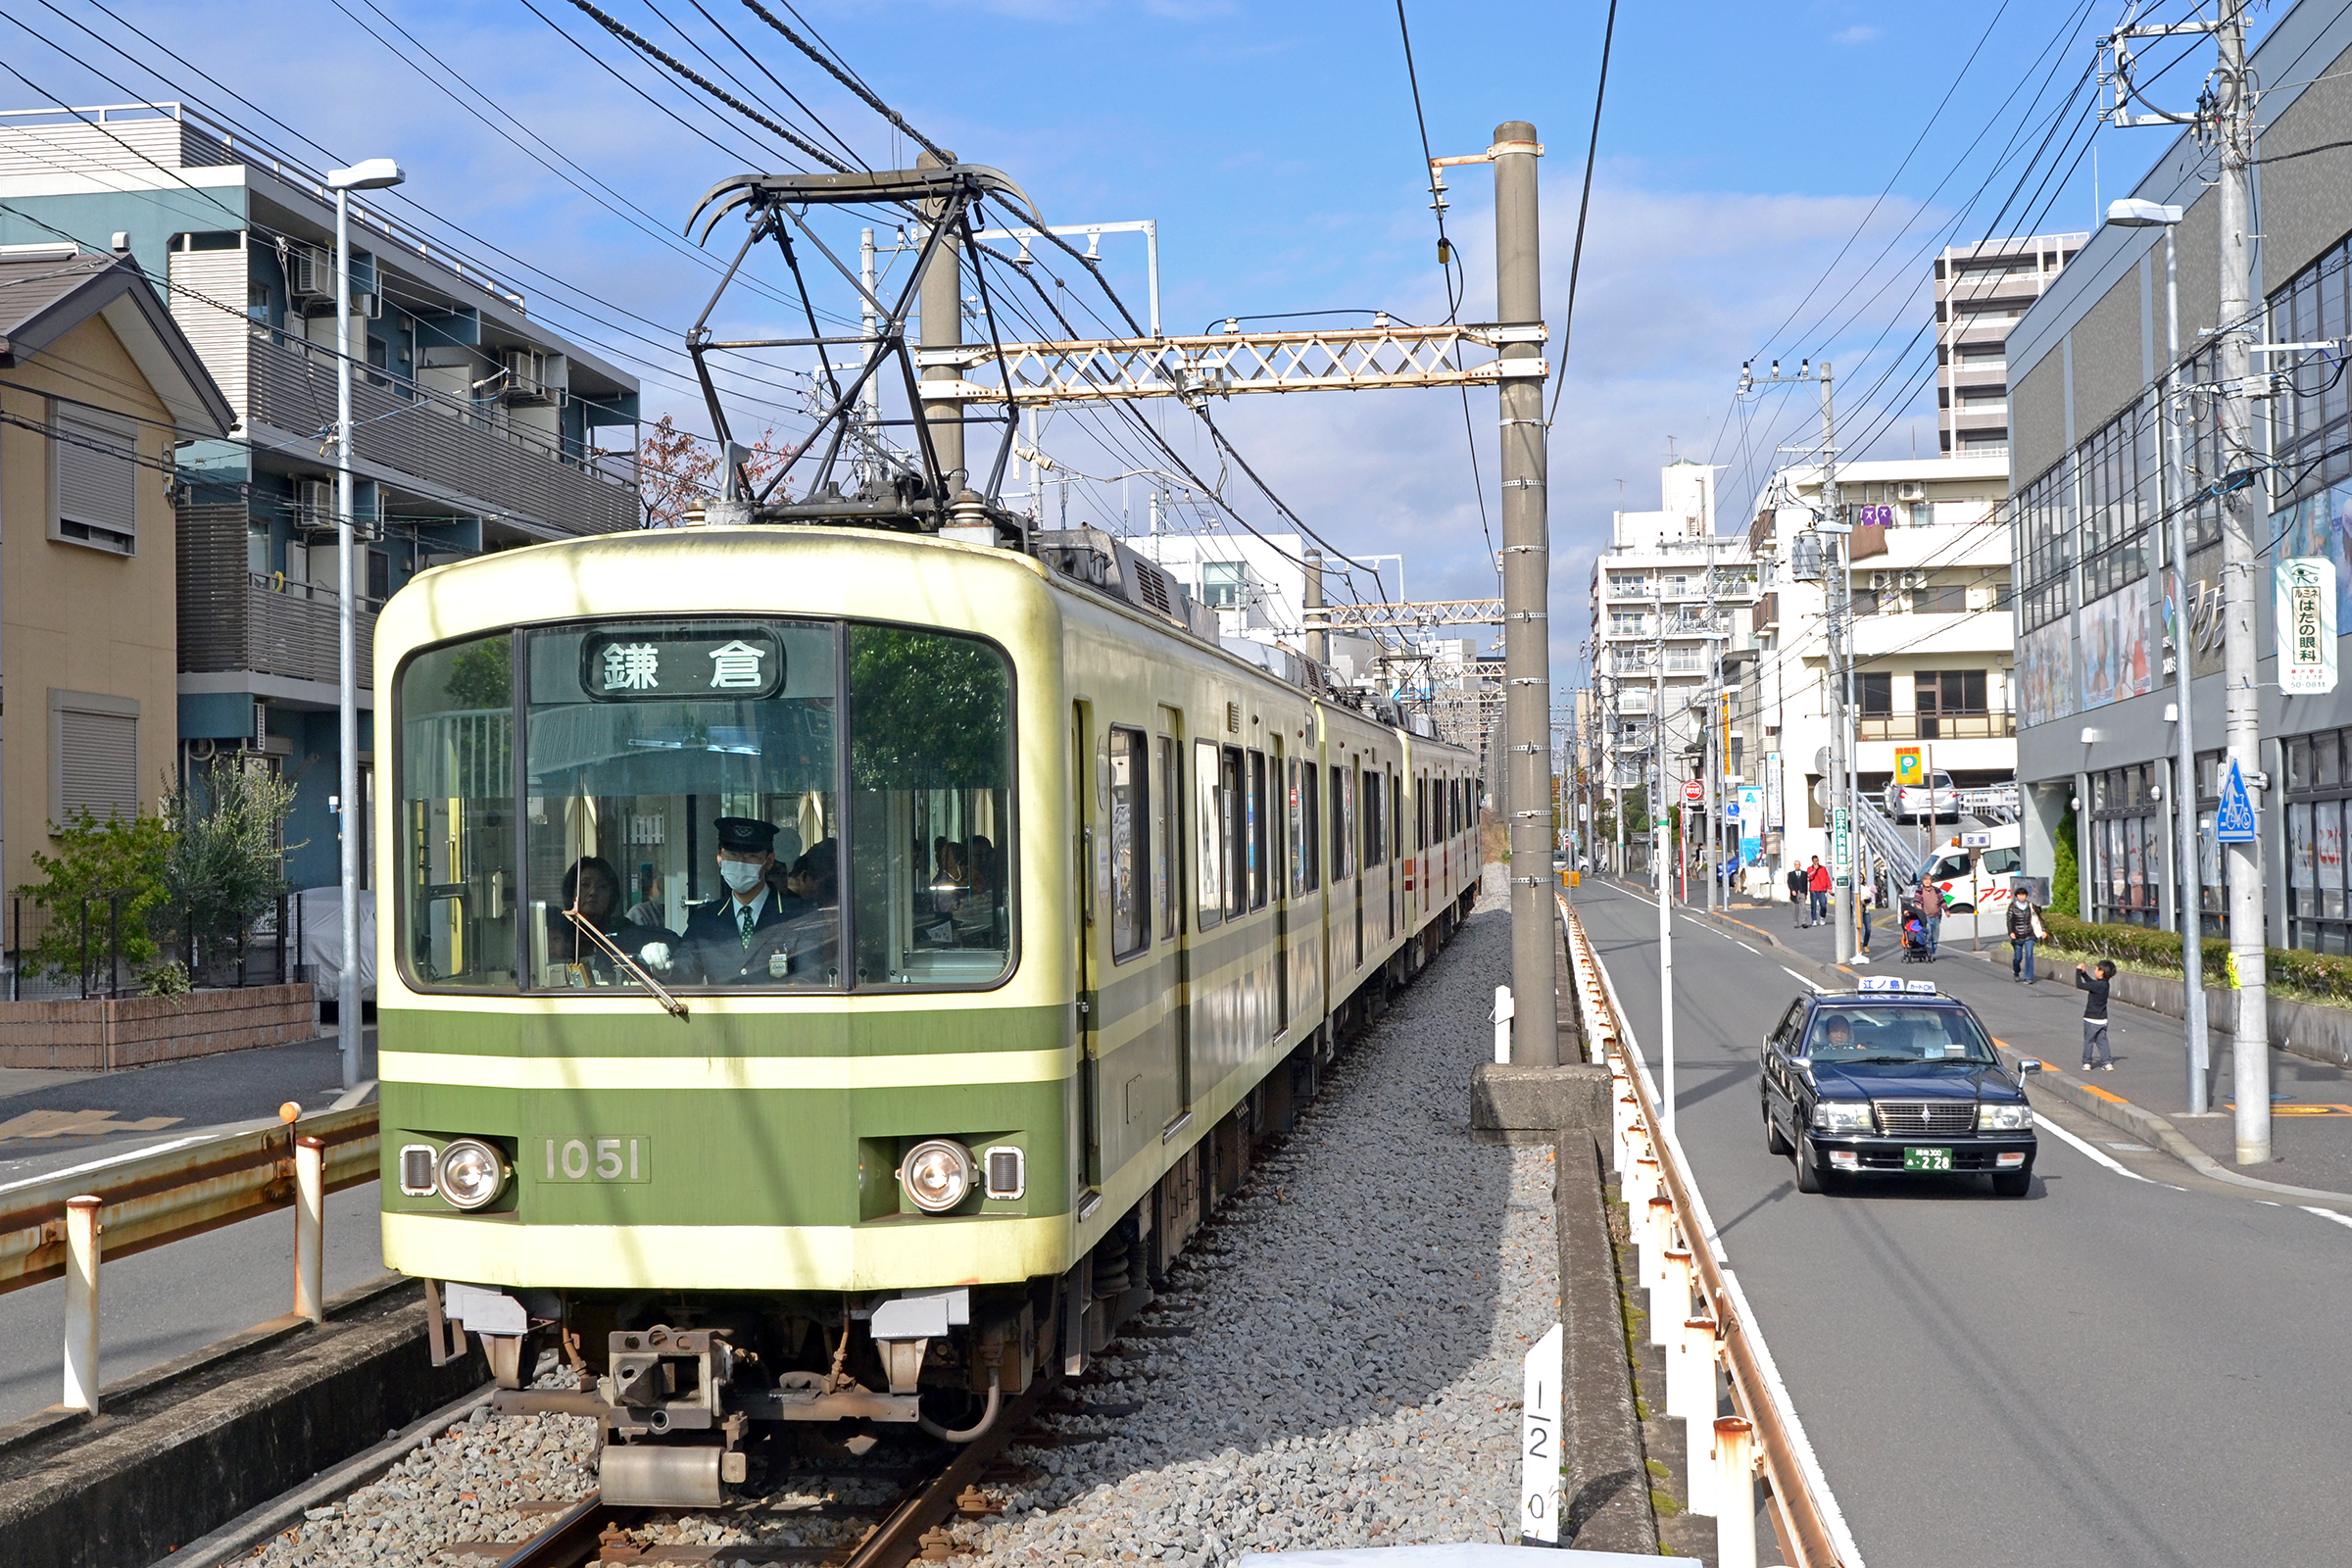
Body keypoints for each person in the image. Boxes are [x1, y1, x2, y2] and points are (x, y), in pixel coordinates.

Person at [658, 816, 804, 985]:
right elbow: (684, 973)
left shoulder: (800, 916)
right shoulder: (705, 921)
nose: (740, 862)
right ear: (719, 858)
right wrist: (662, 966)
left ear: (769, 861)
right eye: (732, 854)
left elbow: (810, 979)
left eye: (751, 855)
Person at [548, 855, 673, 975]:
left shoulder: (623, 931)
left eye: (602, 886)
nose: (593, 892)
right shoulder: (558, 928)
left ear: (611, 894)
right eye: (585, 885)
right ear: (571, 890)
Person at [2076, 957, 2116, 1069]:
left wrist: (2078, 971)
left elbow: (2079, 984)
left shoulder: (2097, 985)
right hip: (2102, 1019)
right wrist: (2084, 974)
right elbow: (2092, 983)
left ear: (2101, 972)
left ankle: (2087, 1062)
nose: (2095, 971)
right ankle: (2107, 1063)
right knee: (2102, 1041)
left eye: (2096, 969)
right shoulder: (2105, 985)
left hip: (2091, 1019)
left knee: (2089, 1041)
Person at [2007, 887, 2045, 984]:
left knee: (2029, 955)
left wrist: (2043, 931)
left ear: (2026, 896)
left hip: (2029, 935)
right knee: (2018, 958)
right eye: (2019, 895)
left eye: (2023, 895)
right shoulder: (2012, 907)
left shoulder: (2030, 906)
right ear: (2016, 896)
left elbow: (2039, 918)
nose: (2021, 897)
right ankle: (2016, 971)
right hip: (2017, 936)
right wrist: (2011, 932)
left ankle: (2028, 977)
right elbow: (2009, 921)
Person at [1917, 873, 1944, 959]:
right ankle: (1928, 953)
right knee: (1928, 936)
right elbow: (1916, 900)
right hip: (1926, 917)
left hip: (1936, 917)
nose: (1927, 881)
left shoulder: (1936, 890)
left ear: (1931, 881)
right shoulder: (1920, 890)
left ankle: (1932, 952)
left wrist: (1947, 910)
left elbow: (1942, 901)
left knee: (1935, 937)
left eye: (1929, 879)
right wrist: (1918, 905)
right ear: (1922, 881)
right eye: (1925, 880)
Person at [1807, 857, 1831, 926]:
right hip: (1814, 889)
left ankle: (1822, 917)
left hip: (1822, 889)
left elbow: (1827, 878)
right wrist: (1815, 870)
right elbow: (1810, 877)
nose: (1816, 862)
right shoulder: (1810, 869)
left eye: (1817, 860)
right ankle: (1814, 920)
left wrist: (1829, 887)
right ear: (1812, 861)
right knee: (1813, 906)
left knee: (1823, 905)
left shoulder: (1823, 868)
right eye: (1815, 861)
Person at [1787, 862, 1809, 927]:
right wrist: (1792, 890)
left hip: (1802, 892)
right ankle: (1796, 923)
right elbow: (1789, 883)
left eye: (1798, 864)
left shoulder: (1804, 874)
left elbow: (1806, 884)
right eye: (1796, 865)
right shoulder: (1791, 874)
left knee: (1803, 908)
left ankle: (1804, 922)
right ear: (1794, 866)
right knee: (1795, 909)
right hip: (1794, 893)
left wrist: (1806, 893)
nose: (1797, 866)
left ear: (1800, 865)